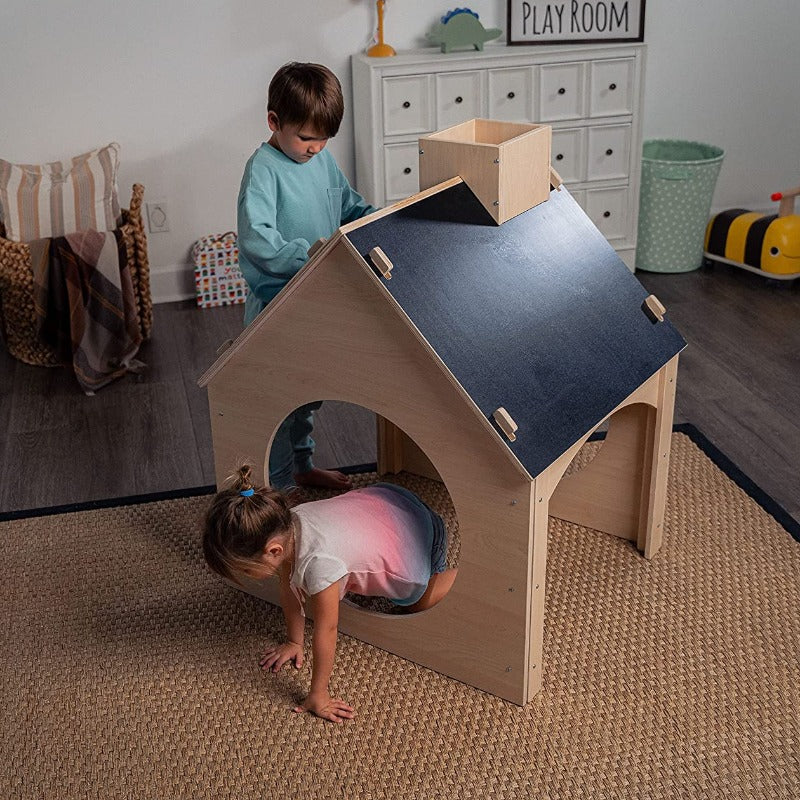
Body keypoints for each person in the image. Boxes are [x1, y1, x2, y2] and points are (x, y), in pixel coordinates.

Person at [203, 465, 458, 723]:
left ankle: (460, 578)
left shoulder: (319, 565)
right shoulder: (287, 521)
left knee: (418, 602)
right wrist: (294, 641)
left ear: (273, 551)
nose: (247, 575)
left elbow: (327, 628)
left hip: (424, 541)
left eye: (246, 568)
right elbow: (288, 586)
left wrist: (319, 694)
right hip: (393, 500)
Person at [237, 61, 379, 492]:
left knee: (307, 396)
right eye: (305, 138)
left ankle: (301, 466)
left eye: (324, 139)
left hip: (320, 296)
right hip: (279, 306)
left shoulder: (321, 159)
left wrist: (375, 222)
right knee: (280, 400)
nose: (315, 148)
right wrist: (312, 255)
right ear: (274, 122)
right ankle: (277, 487)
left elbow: (348, 206)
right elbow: (257, 241)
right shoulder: (262, 169)